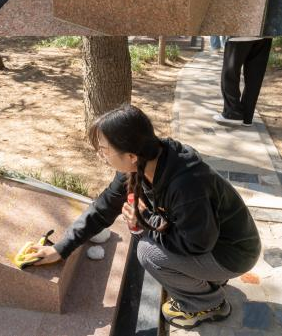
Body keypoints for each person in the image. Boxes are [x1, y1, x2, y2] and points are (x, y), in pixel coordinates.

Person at [28, 105, 260, 330]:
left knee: (148, 252)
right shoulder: (144, 161)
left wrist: (147, 221)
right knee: (141, 234)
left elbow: (196, 244)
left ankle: (209, 305)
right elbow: (104, 207)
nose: (101, 155)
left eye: (104, 149)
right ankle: (207, 280)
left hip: (233, 253)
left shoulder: (186, 184)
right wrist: (61, 248)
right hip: (211, 239)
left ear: (131, 156)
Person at [214, 37, 273, 127]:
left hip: (241, 34)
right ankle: (247, 117)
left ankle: (232, 113)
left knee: (230, 73)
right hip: (265, 35)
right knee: (255, 77)